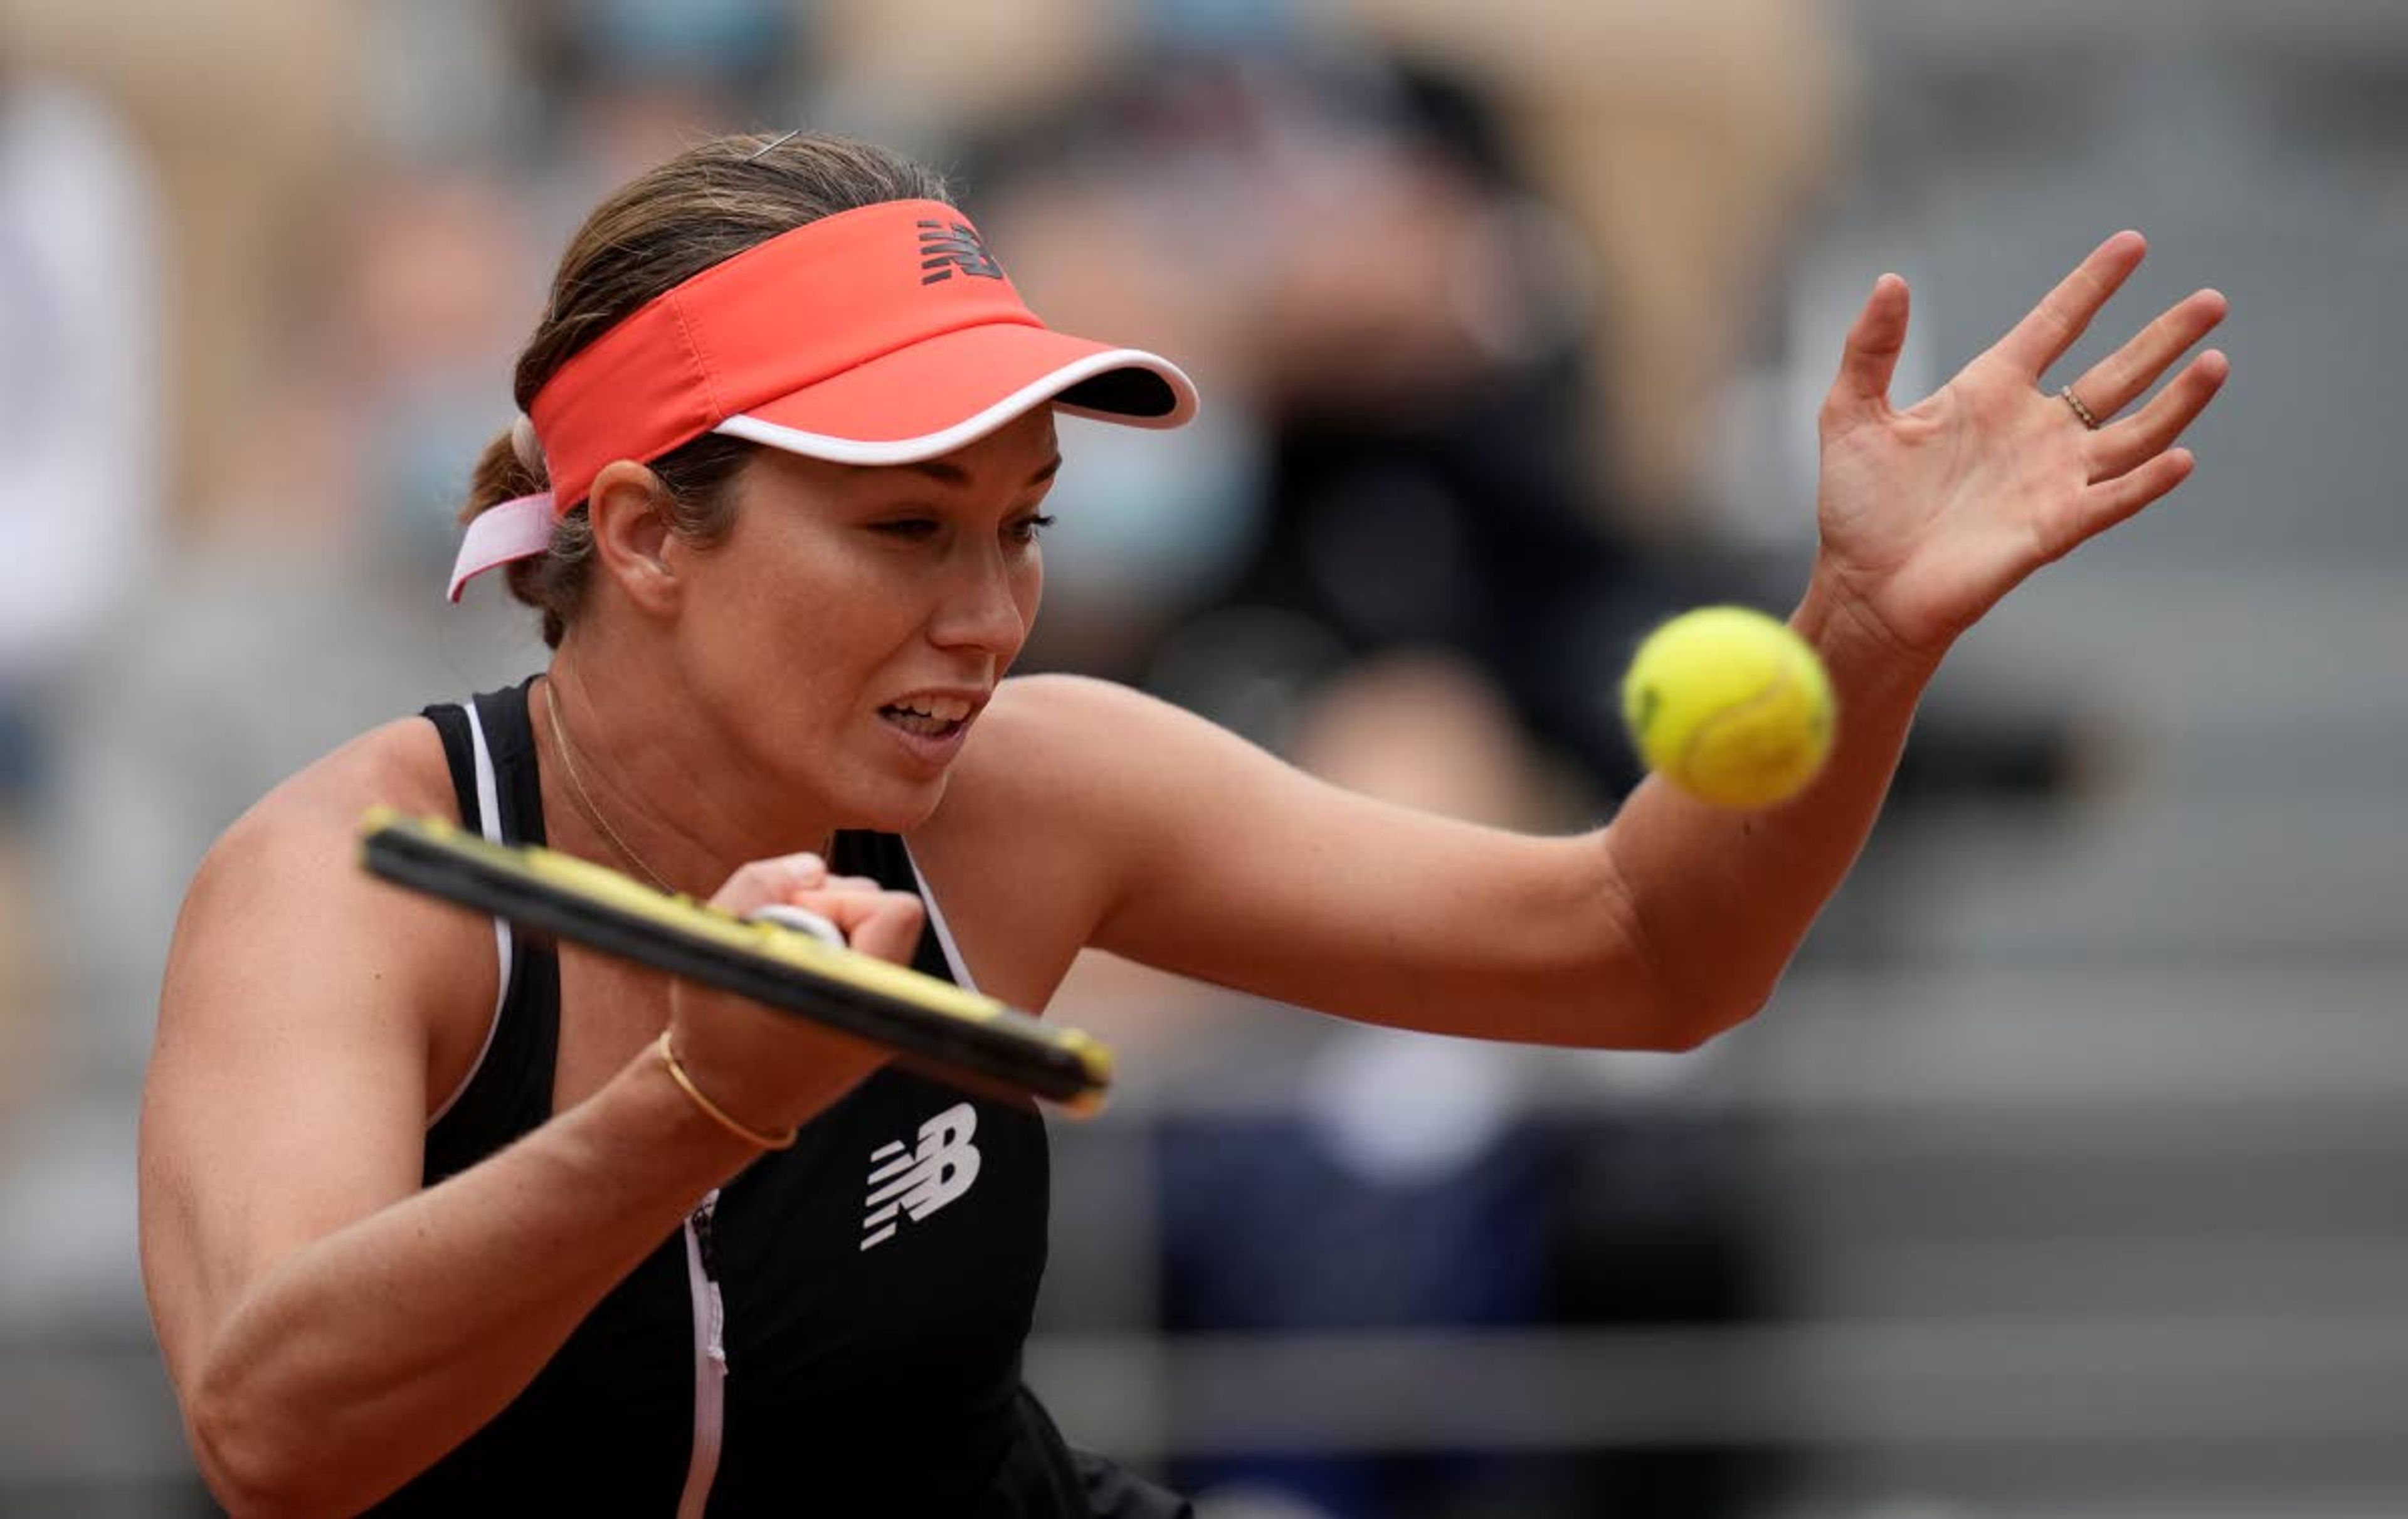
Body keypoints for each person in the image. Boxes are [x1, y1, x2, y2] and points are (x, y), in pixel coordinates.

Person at [136, 130, 2227, 1517]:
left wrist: (1856, 635)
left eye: (1019, 530)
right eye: (902, 528)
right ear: (639, 535)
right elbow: (274, 1429)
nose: (988, 613)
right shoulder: (366, 882)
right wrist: (696, 1099)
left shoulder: (1030, 793)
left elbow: (1648, 955)